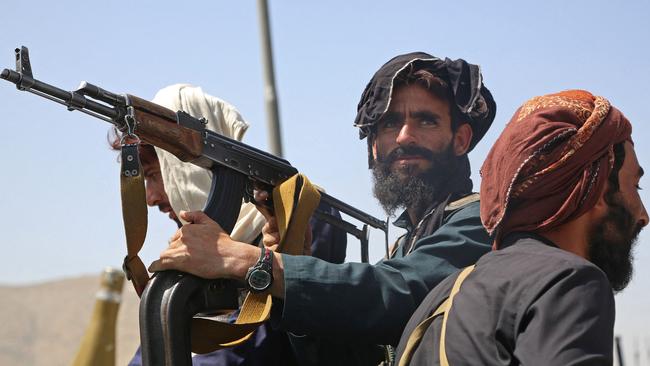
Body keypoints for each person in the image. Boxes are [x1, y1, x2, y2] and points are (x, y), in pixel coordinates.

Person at [149, 53, 497, 364]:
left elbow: (402, 288)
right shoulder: (409, 243)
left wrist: (250, 262)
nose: (404, 136)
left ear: (461, 139)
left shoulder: (481, 221)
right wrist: (290, 264)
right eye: (390, 123)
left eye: (426, 121)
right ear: (374, 146)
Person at [395, 90, 648, 365]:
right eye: (634, 186)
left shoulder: (438, 300)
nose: (643, 215)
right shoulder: (568, 281)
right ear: (596, 188)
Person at [113, 84, 347, 365]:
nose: (150, 198)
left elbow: (251, 346)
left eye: (154, 174)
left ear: (186, 168)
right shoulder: (193, 252)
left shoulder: (301, 215)